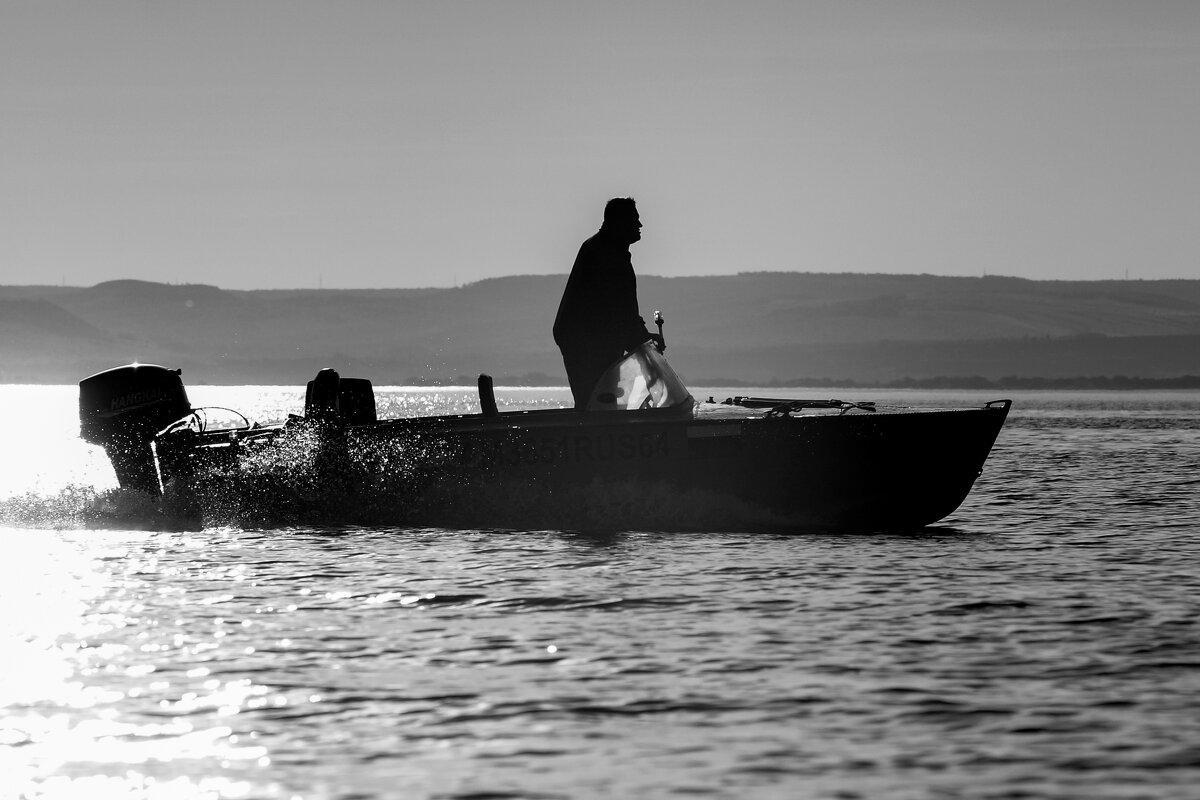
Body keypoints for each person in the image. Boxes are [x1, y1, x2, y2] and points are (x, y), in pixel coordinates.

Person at [553, 197, 664, 408]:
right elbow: (619, 311)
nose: (640, 225)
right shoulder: (606, 255)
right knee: (596, 399)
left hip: (592, 337)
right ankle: (593, 434)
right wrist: (642, 340)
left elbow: (624, 311)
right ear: (619, 222)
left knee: (600, 398)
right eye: (635, 220)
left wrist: (642, 338)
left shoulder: (606, 250)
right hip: (585, 340)